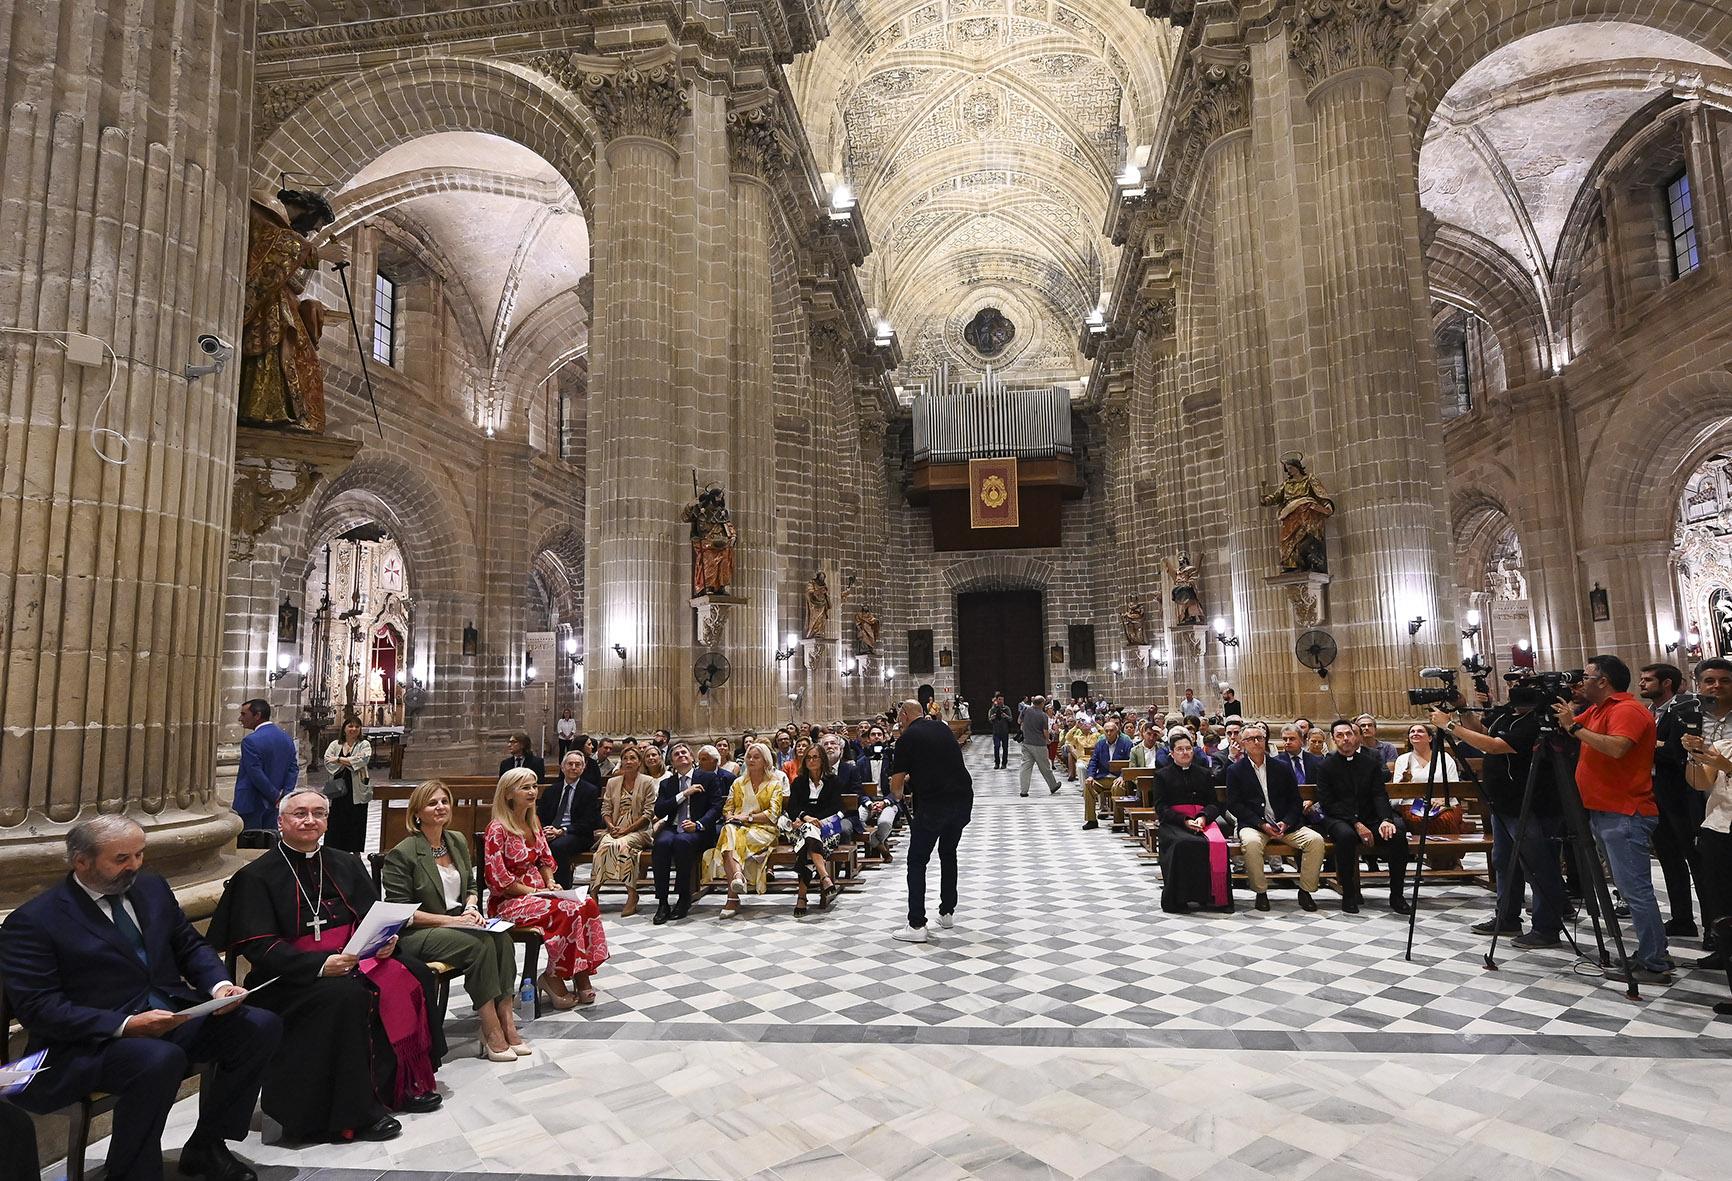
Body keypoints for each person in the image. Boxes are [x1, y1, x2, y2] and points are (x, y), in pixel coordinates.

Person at [0, 816, 280, 1181]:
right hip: (83, 1045)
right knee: (158, 1059)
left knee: (259, 1025)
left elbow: (190, 945)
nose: (134, 865)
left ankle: (207, 1145)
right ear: (81, 861)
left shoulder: (150, 887)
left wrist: (218, 987)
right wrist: (126, 1025)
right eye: (121, 859)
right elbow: (41, 1010)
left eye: (139, 854)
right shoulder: (35, 922)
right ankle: (132, 1172)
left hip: (168, 1015)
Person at [207, 789, 443, 1145]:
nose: (310, 820)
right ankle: (355, 1113)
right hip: (287, 978)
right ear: (281, 821)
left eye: (319, 813)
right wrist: (319, 966)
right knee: (347, 996)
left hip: (352, 960)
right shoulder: (256, 876)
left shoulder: (344, 862)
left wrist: (385, 941)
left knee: (414, 974)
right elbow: (259, 946)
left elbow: (368, 916)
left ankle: (401, 1085)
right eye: (300, 813)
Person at [382, 780, 526, 1062]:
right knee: (480, 944)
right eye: (432, 803)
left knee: (502, 938)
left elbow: (471, 885)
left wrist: (471, 908)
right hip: (419, 933)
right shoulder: (404, 852)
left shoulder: (456, 840)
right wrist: (452, 922)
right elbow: (401, 912)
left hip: (457, 923)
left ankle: (507, 1020)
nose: (440, 807)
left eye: (444, 801)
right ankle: (490, 1028)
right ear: (417, 812)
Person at [1558, 654, 1667, 982]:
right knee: (1628, 887)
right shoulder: (1600, 709)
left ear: (1603, 681)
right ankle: (1652, 951)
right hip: (1606, 811)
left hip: (1626, 812)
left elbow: (1618, 748)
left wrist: (1575, 726)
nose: (1582, 682)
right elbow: (1569, 726)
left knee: (1635, 890)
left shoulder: (1627, 710)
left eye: (1587, 677)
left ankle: (1654, 963)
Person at [1432, 688, 1568, 947]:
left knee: (1539, 867)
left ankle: (1546, 927)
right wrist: (1462, 709)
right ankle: (1507, 917)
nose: (1512, 689)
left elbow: (1495, 746)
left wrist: (1448, 725)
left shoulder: (1538, 722)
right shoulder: (1508, 714)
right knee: (1503, 862)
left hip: (1531, 805)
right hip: (1503, 804)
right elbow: (1483, 733)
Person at [483, 767, 608, 1008]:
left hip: (541, 894)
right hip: (509, 903)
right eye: (525, 787)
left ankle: (580, 973)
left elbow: (544, 860)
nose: (532, 792)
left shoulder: (533, 821)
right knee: (566, 910)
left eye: (533, 786)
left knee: (587, 904)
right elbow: (499, 880)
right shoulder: (497, 829)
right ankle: (553, 977)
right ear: (508, 794)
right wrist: (535, 892)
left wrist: (549, 882)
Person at [890, 700, 974, 942]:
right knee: (948, 852)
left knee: (917, 861)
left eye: (899, 717)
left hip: (934, 806)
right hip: (961, 800)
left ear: (904, 715)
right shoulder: (942, 728)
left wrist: (900, 786)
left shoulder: (906, 739)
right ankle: (947, 912)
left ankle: (916, 925)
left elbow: (896, 790)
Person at [1314, 719, 1412, 915]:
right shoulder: (1325, 766)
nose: (1345, 739)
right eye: (1340, 736)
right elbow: (1328, 803)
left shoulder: (1370, 763)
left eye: (1349, 734)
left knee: (1398, 836)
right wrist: (1356, 823)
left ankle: (1397, 896)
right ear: (1333, 739)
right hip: (1339, 819)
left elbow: (1379, 794)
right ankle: (1350, 895)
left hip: (1371, 818)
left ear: (1355, 736)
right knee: (1346, 836)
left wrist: (1386, 819)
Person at [1225, 724, 1323, 911]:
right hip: (1254, 825)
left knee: (1315, 840)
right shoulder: (1236, 771)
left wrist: (1286, 822)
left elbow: (1295, 800)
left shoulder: (1282, 767)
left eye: (1259, 738)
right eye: (1251, 739)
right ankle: (1261, 892)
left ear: (1265, 741)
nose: (1256, 742)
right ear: (1243, 744)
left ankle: (1305, 890)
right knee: (1251, 844)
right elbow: (1235, 804)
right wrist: (1261, 824)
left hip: (1285, 825)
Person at [1646, 661, 1709, 939]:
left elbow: (1676, 752)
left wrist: (1647, 746)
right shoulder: (1649, 712)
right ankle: (1682, 917)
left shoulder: (1684, 709)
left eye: (1648, 680)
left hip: (1682, 796)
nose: (1642, 684)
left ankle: (1712, 927)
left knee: (1697, 861)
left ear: (1666, 683)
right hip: (1655, 793)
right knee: (1669, 858)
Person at [1153, 734, 1232, 913]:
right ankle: (1181, 899)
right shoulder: (1162, 775)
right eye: (1180, 749)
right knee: (1184, 844)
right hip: (1175, 823)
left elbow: (1214, 803)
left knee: (1218, 844)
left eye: (1188, 748)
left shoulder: (1204, 773)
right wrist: (1185, 821)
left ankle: (1215, 898)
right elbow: (1161, 807)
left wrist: (1204, 817)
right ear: (1172, 753)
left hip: (1202, 821)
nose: (1185, 752)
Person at [706, 743, 786, 917]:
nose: (751, 760)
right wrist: (731, 818)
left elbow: (773, 814)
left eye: (756, 757)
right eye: (749, 756)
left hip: (764, 831)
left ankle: (732, 896)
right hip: (737, 828)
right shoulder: (738, 782)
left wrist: (747, 818)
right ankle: (737, 878)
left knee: (728, 836)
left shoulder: (775, 784)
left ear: (765, 760)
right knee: (729, 831)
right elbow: (727, 809)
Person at [651, 743, 728, 924]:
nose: (681, 755)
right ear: (672, 761)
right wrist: (683, 794)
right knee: (661, 844)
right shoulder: (667, 783)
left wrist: (699, 824)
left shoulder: (707, 778)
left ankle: (683, 897)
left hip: (698, 829)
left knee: (682, 843)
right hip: (674, 826)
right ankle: (662, 902)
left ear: (692, 758)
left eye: (684, 752)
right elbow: (660, 810)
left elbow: (716, 807)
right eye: (676, 754)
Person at [1682, 702, 1732, 972]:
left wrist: (1729, 767)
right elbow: (1699, 783)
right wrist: (1694, 755)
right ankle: (1725, 952)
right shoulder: (1723, 745)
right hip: (1717, 827)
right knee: (1720, 899)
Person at [592, 746, 657, 916]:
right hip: (615, 827)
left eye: (632, 758)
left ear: (639, 762)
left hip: (639, 829)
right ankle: (594, 893)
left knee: (622, 846)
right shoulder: (613, 782)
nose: (628, 762)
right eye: (625, 758)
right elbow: (605, 809)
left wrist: (626, 830)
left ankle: (631, 894)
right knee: (603, 847)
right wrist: (611, 827)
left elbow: (648, 814)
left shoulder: (648, 781)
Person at [783, 744, 843, 915]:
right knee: (808, 834)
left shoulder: (833, 781)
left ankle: (802, 896)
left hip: (826, 830)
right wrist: (805, 818)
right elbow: (793, 808)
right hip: (802, 827)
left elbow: (835, 807)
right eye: (808, 757)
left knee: (806, 845)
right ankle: (824, 876)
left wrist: (816, 821)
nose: (811, 760)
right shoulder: (799, 782)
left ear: (822, 759)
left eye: (815, 757)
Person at [538, 750, 603, 889]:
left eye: (578, 764)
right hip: (551, 832)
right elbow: (540, 815)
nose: (574, 767)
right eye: (570, 764)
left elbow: (590, 822)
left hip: (577, 834)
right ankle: (539, 886)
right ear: (563, 767)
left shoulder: (589, 791)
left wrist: (562, 831)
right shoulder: (552, 790)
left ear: (583, 768)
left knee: (557, 846)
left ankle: (562, 888)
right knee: (536, 845)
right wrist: (545, 830)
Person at [235, 698, 298, 831]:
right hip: (275, 805)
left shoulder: (250, 741)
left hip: (252, 802)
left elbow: (255, 773)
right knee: (270, 841)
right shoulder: (286, 738)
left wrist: (275, 796)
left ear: (257, 715)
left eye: (244, 714)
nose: (240, 718)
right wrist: (285, 795)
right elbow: (293, 768)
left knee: (249, 844)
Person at [321, 716, 372, 854]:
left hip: (356, 790)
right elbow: (327, 761)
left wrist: (338, 759)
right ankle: (334, 853)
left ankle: (355, 855)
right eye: (350, 726)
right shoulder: (335, 744)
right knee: (336, 822)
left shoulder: (364, 744)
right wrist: (349, 761)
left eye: (357, 726)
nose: (353, 729)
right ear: (344, 728)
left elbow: (363, 760)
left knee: (356, 822)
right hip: (338, 790)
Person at [854, 722, 900, 858]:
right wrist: (869, 803)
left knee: (884, 823)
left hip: (888, 801)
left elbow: (898, 788)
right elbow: (859, 788)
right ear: (868, 738)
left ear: (884, 737)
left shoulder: (892, 759)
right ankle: (882, 848)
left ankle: (876, 843)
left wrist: (885, 802)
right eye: (873, 734)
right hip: (867, 802)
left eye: (879, 734)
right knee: (857, 821)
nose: (876, 737)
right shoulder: (861, 762)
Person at [1082, 718, 1133, 830]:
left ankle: (1118, 821)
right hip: (1103, 777)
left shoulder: (1126, 743)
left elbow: (1131, 763)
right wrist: (1090, 776)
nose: (1109, 733)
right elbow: (1093, 762)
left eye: (1111, 730)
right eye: (1106, 731)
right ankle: (1091, 820)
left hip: (1119, 777)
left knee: (1117, 787)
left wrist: (1122, 776)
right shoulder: (1100, 744)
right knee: (1088, 785)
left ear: (1117, 731)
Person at [1018, 694, 1062, 797]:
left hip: (1026, 742)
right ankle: (1053, 785)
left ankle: (1023, 790)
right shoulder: (1043, 716)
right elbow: (1045, 731)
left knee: (1026, 767)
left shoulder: (1026, 710)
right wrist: (1047, 740)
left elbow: (1019, 721)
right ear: (1042, 704)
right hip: (1039, 744)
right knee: (1045, 767)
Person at [1392, 723, 1464, 784]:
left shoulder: (1444, 757)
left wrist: (1441, 799)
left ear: (1430, 738)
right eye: (1412, 732)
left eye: (1420, 731)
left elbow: (1453, 783)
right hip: (1412, 799)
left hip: (1442, 798)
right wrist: (1404, 780)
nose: (1415, 733)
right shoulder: (1402, 759)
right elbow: (1397, 789)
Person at [986, 692, 1015, 769]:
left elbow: (1011, 719)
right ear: (997, 700)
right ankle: (997, 763)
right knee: (996, 746)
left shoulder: (1006, 709)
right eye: (999, 699)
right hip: (996, 731)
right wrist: (992, 718)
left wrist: (1005, 716)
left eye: (1002, 699)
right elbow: (989, 720)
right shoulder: (992, 709)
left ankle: (1004, 763)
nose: (1001, 701)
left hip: (1004, 731)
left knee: (1005, 748)